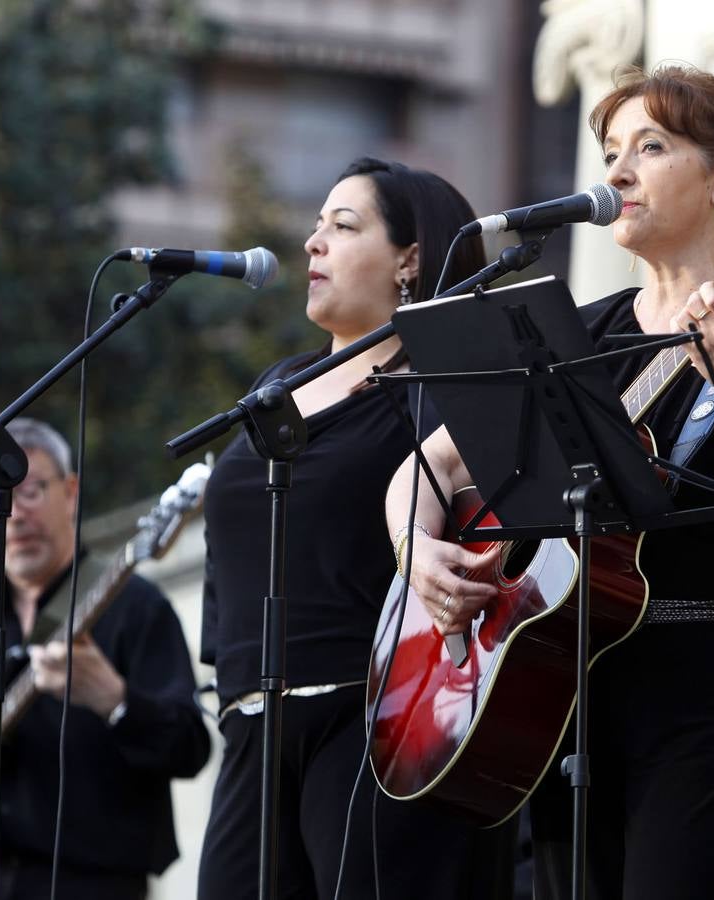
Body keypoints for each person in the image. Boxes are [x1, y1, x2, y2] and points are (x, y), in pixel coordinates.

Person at [383, 65, 714, 899]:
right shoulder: (585, 332)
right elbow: (422, 470)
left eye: (649, 146)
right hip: (569, 672)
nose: (615, 172)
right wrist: (415, 554)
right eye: (609, 151)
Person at [196, 158, 515, 899]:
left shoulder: (443, 387)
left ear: (409, 258)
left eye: (342, 227)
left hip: (374, 724)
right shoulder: (275, 383)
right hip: (252, 725)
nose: (314, 244)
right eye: (315, 227)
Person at [0, 417, 210, 899]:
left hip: (91, 883)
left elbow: (190, 747)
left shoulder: (136, 606)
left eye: (30, 491)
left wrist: (114, 699)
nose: (13, 514)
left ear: (70, 491)